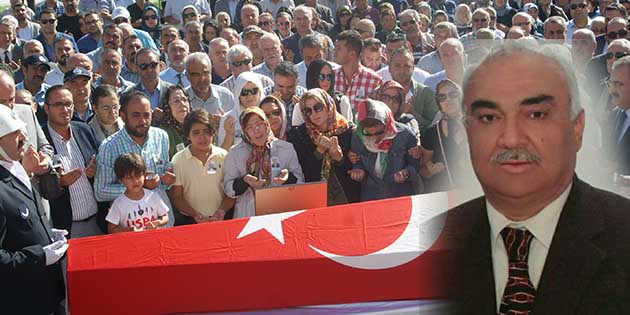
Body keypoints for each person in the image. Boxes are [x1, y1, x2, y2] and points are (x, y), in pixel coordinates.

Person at [449, 42, 630, 314]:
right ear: (467, 133)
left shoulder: (623, 235)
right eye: (489, 117)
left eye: (536, 114)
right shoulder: (435, 243)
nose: (511, 139)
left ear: (577, 128)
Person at [0, 105, 68, 315]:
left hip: (48, 294)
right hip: (23, 302)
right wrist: (40, 255)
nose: (24, 137)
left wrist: (48, 235)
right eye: (15, 134)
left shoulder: (16, 171)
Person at [95, 91, 176, 227]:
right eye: (136, 115)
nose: (142, 121)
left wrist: (167, 180)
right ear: (123, 116)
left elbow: (164, 176)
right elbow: (100, 191)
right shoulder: (109, 147)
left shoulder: (161, 137)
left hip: (163, 223)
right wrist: (140, 185)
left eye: (146, 115)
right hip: (132, 229)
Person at [41, 85, 103, 237]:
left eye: (68, 104)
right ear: (46, 109)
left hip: (98, 222)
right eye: (58, 104)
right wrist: (59, 183)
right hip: (66, 227)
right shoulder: (40, 140)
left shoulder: (85, 130)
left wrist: (95, 171)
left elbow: (102, 167)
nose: (65, 109)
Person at [223, 106, 304, 218]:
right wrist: (244, 181)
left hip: (280, 211)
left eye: (259, 124)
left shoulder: (285, 148)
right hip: (248, 212)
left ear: (266, 124)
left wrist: (288, 178)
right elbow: (228, 189)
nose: (256, 130)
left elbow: (301, 181)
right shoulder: (235, 153)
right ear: (244, 131)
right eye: (250, 127)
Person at [288, 88, 360, 205]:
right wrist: (319, 151)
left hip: (346, 197)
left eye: (318, 107)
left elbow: (356, 171)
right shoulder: (299, 135)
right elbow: (303, 173)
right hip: (314, 199)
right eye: (308, 111)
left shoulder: (348, 131)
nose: (314, 114)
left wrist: (339, 158)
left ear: (328, 105)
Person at [170, 109, 234, 225]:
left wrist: (221, 211)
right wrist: (195, 214)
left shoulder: (224, 156)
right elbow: (177, 197)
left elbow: (231, 193)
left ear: (213, 133)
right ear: (188, 135)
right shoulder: (178, 160)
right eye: (196, 132)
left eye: (206, 132)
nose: (202, 137)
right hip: (190, 222)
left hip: (222, 220)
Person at [349, 98, 419, 201]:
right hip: (371, 197)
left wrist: (406, 173)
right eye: (368, 133)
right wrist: (359, 171)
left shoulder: (405, 135)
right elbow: (358, 161)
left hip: (399, 196)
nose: (374, 138)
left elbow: (415, 165)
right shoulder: (358, 136)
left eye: (378, 133)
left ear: (387, 124)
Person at [419, 79, 466, 193]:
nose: (448, 100)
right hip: (446, 194)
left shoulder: (478, 125)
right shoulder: (432, 133)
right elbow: (423, 170)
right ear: (439, 104)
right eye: (442, 97)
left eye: (453, 94)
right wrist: (430, 171)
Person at [106, 152, 169, 233]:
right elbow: (111, 229)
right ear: (120, 180)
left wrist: (158, 222)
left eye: (138, 175)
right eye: (129, 177)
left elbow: (165, 216)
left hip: (154, 240)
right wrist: (128, 230)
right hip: (131, 243)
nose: (135, 181)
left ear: (144, 175)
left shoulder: (153, 196)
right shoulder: (118, 203)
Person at [292, 59, 353, 125]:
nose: (326, 81)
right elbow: (296, 133)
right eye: (321, 77)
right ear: (313, 78)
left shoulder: (341, 101)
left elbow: (348, 130)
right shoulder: (301, 107)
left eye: (329, 77)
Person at [334, 30, 383, 111]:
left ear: (352, 54)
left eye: (339, 48)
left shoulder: (374, 80)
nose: (334, 51)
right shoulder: (330, 76)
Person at [217, 71, 264, 149]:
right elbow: (222, 153)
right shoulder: (228, 118)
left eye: (254, 91)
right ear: (238, 94)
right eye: (244, 92)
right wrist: (229, 135)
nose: (250, 96)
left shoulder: (268, 114)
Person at [158, 85, 191, 159]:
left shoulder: (198, 125)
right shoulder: (163, 132)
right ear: (168, 106)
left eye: (184, 100)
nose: (182, 104)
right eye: (176, 101)